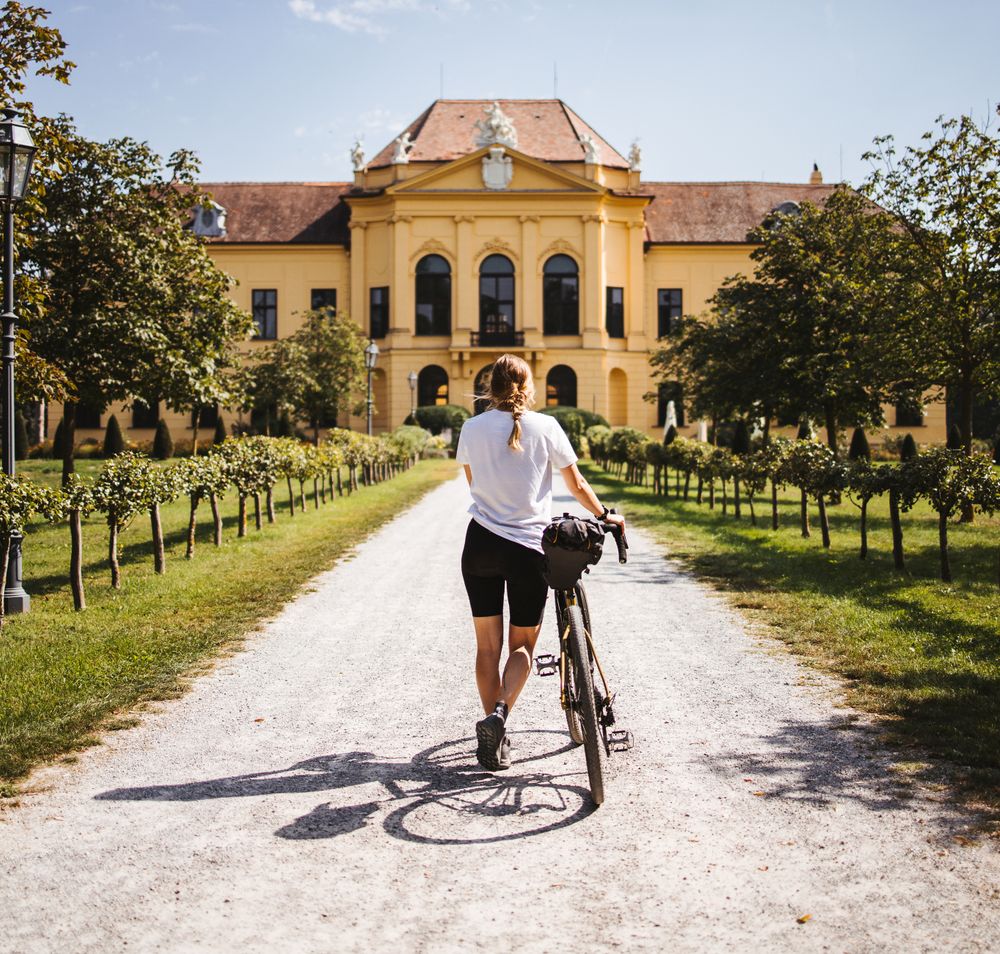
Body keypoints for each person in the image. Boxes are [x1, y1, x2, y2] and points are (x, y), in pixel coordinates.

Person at [456, 354, 626, 771]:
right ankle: (498, 715)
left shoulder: (471, 428)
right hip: (527, 548)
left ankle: (494, 738)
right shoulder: (546, 426)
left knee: (487, 647)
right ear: (528, 387)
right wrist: (605, 515)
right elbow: (577, 483)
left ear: (489, 387)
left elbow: (474, 483)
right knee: (522, 647)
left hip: (479, 545)